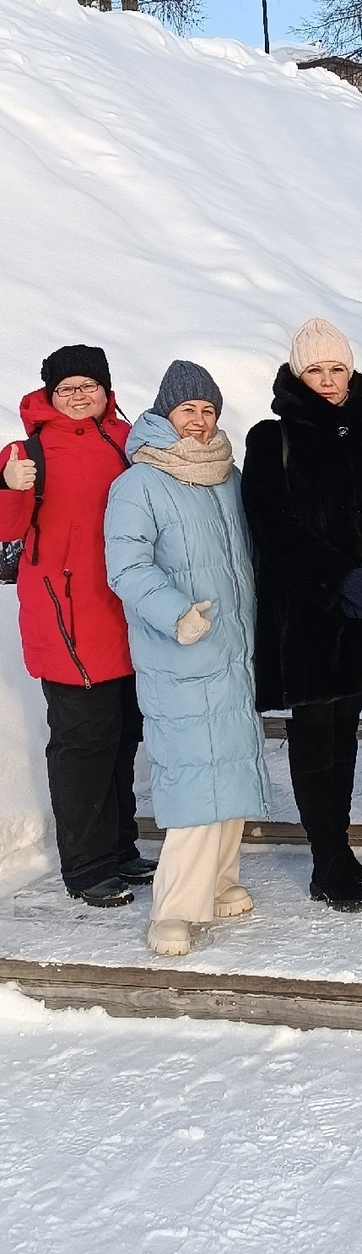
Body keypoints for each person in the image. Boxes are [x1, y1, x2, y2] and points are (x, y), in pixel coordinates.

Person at [105, 362, 271, 957]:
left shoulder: (227, 476)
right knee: (193, 778)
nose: (199, 421)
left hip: (233, 647)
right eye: (188, 410)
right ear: (164, 414)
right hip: (180, 647)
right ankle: (172, 911)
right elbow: (126, 566)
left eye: (208, 411)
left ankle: (221, 881)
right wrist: (176, 612)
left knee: (228, 770)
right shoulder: (139, 484)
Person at [241, 318, 362, 911]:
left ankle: (339, 845)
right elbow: (273, 528)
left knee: (346, 734)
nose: (329, 380)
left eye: (337, 368)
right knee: (314, 736)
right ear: (296, 373)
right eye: (316, 370)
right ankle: (325, 859)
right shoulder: (270, 438)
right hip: (306, 618)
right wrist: (338, 581)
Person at [0, 345, 150, 908]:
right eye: (68, 388)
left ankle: (120, 847)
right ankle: (86, 867)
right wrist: (9, 483)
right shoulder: (27, 450)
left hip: (123, 615)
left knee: (121, 739)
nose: (79, 395)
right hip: (66, 621)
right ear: (50, 395)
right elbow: (5, 529)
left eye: (89, 385)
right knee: (83, 743)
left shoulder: (126, 438)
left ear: (106, 390)